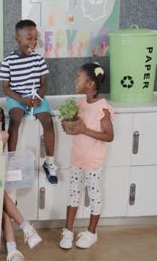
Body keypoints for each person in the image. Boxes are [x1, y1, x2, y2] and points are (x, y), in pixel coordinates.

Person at [0, 102, 42, 261]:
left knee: (3, 209)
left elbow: (8, 158)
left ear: (1, 120)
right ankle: (26, 227)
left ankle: (13, 250)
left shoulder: (4, 136)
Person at [59, 63, 114, 249]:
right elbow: (75, 129)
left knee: (94, 195)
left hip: (93, 162)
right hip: (77, 158)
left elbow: (109, 136)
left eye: (78, 78)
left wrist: (84, 129)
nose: (75, 81)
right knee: (73, 194)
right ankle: (68, 231)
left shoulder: (102, 108)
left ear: (90, 83)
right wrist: (68, 126)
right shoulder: (78, 105)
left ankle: (91, 232)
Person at [0, 19, 58, 185]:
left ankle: (50, 162)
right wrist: (21, 100)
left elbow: (44, 84)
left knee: (47, 120)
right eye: (29, 38)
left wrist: (38, 98)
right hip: (16, 97)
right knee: (15, 118)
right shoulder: (8, 61)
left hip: (36, 96)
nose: (33, 42)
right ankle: (11, 161)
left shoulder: (38, 60)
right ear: (18, 38)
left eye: (35, 38)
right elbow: (5, 88)